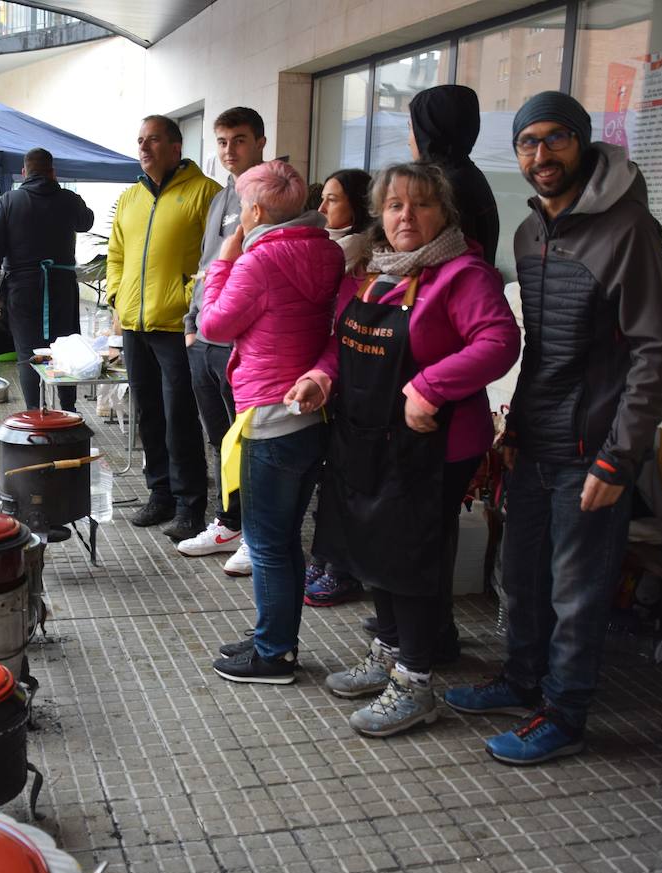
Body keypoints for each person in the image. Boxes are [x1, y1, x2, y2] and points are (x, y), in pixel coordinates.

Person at [445, 91, 662, 764]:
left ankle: (566, 713)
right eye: (528, 143)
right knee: (519, 575)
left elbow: (655, 354)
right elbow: (544, 351)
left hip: (594, 448)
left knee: (576, 592)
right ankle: (522, 680)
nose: (541, 155)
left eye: (555, 140)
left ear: (583, 142)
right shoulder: (530, 232)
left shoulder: (628, 229)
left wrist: (619, 459)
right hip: (536, 439)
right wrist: (512, 429)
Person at [290, 162, 520, 736]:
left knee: (412, 558)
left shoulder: (463, 274)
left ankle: (416, 682)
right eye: (394, 206)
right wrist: (321, 377)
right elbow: (339, 347)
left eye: (420, 205)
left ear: (444, 212)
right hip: (365, 439)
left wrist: (430, 386)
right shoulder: (371, 273)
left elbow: (499, 341)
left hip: (432, 447)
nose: (405, 216)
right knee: (372, 553)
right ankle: (389, 652)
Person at [201, 160, 344, 684]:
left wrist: (222, 260)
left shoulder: (257, 262)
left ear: (257, 211)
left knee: (267, 541)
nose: (240, 214)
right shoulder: (326, 251)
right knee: (281, 539)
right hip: (309, 413)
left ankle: (275, 653)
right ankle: (271, 637)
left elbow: (215, 324)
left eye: (242, 205)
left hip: (268, 415)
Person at [106, 115, 221, 542]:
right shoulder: (131, 198)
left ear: (176, 146)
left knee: (180, 418)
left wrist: (188, 297)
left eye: (153, 139)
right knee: (150, 414)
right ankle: (160, 494)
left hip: (177, 327)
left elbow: (216, 261)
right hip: (135, 324)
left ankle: (191, 503)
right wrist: (117, 295)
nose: (145, 147)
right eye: (140, 140)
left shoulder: (205, 193)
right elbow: (116, 254)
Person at [178, 107, 268, 576]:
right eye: (222, 141)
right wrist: (192, 324)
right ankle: (229, 522)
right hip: (205, 338)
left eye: (239, 140)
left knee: (248, 442)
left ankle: (257, 533)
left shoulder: (270, 194)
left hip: (242, 342)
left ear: (260, 142)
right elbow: (208, 266)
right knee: (219, 439)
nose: (229, 150)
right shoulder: (221, 196)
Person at [304, 168, 374, 609]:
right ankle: (327, 555)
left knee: (349, 481)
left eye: (333, 200)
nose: (323, 208)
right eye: (322, 199)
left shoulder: (364, 259)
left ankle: (343, 568)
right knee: (330, 479)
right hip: (329, 376)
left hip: (362, 384)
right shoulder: (326, 250)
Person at [0, 148, 94, 412]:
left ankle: (35, 412)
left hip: (22, 291)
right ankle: (69, 411)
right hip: (62, 289)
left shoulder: (9, 201)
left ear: (24, 173)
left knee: (27, 354)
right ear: (53, 172)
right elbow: (86, 221)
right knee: (66, 349)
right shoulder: (69, 199)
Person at [408, 85, 500, 266]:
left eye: (412, 128)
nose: (409, 140)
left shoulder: (444, 186)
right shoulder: (466, 175)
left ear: (430, 130)